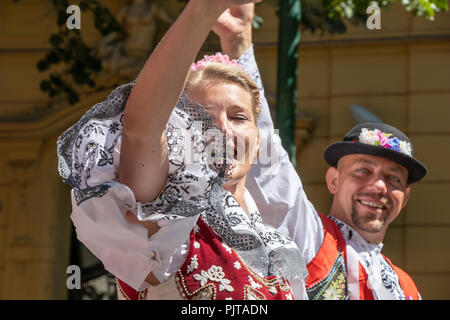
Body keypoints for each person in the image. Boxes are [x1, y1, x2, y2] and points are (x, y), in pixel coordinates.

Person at [57, 0, 308, 300]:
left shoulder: (280, 247)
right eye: (201, 116)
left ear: (258, 142)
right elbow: (141, 131)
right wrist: (202, 10)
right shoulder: (166, 216)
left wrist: (239, 39)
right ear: (176, 135)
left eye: (239, 117)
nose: (222, 129)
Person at [254, 119, 428, 299]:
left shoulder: (407, 287)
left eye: (393, 178)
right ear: (334, 180)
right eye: (363, 170)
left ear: (405, 198)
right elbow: (271, 172)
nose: (379, 186)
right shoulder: (311, 237)